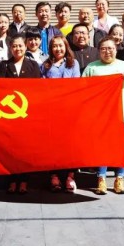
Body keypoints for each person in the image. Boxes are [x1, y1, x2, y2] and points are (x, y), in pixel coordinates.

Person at [82, 37, 124, 195]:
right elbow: (83, 89)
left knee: (120, 147)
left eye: (110, 48)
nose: (107, 52)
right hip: (99, 114)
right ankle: (101, 178)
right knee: (102, 147)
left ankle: (119, 178)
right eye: (103, 49)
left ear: (116, 50)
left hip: (120, 113)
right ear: (98, 51)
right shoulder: (92, 68)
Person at [0, 34, 41, 194]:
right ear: (10, 48)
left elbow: (38, 88)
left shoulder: (33, 65)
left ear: (26, 46)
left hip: (28, 113)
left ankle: (24, 181)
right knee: (11, 149)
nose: (17, 49)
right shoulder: (4, 65)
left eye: (20, 46)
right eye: (14, 46)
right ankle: (12, 180)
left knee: (25, 149)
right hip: (10, 115)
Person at [41, 35, 81, 192]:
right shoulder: (45, 65)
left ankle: (70, 176)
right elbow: (42, 85)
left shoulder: (73, 63)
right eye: (54, 46)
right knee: (53, 145)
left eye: (60, 45)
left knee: (71, 144)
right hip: (51, 110)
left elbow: (76, 84)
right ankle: (54, 175)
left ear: (66, 47)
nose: (58, 49)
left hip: (69, 109)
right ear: (51, 48)